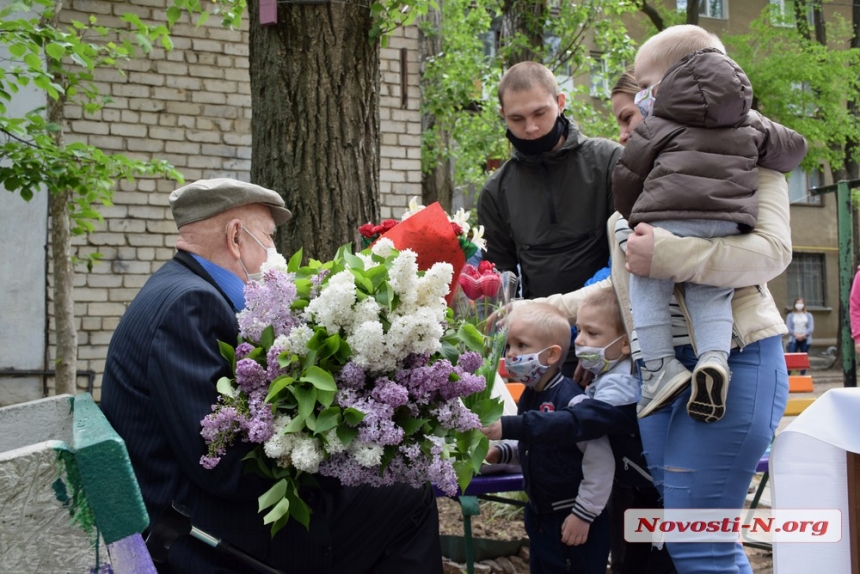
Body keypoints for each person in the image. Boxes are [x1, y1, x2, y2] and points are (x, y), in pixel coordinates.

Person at [485, 24, 793, 573]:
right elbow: (623, 283)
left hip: (733, 356)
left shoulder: (753, 154)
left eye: (644, 96)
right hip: (659, 373)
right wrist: (548, 307)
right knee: (673, 541)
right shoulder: (641, 177)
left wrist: (670, 253)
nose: (635, 117)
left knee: (702, 542)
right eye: (628, 112)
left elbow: (770, 254)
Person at [100, 178, 442, 574]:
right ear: (235, 237)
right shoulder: (191, 304)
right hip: (200, 533)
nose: (274, 253)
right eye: (270, 238)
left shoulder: (181, 288)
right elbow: (222, 462)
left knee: (391, 492)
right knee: (409, 497)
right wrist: (328, 456)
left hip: (186, 510)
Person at [614, 34, 807, 424]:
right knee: (712, 292)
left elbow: (628, 175)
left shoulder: (659, 125)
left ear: (673, 78)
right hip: (726, 220)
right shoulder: (750, 122)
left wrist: (630, 210)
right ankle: (714, 359)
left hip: (667, 216)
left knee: (648, 282)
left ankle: (658, 365)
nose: (642, 99)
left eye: (647, 86)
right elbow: (795, 148)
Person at [477, 60, 623, 375]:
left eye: (540, 113)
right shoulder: (495, 191)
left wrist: (601, 342)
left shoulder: (610, 161)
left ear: (560, 103)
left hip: (611, 342)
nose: (530, 128)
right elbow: (499, 284)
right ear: (503, 115)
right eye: (516, 118)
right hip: (541, 351)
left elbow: (625, 264)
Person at [485, 301, 612, 573]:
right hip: (540, 516)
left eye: (521, 346)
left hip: (573, 520)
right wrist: (501, 452)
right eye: (509, 347)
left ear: (552, 354)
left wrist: (584, 514)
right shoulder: (530, 395)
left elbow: (600, 462)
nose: (511, 354)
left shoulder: (573, 401)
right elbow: (534, 445)